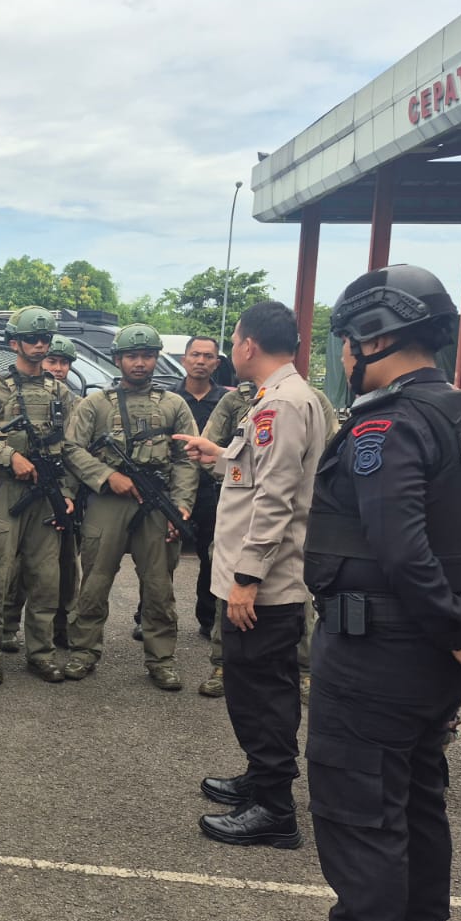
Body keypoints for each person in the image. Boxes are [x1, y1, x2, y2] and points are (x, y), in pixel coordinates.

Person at [259, 264, 461, 921]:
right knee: (417, 803)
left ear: (373, 338)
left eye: (349, 340)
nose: (345, 354)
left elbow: (400, 545)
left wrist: (457, 628)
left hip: (380, 649)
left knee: (361, 818)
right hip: (432, 658)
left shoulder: (386, 426)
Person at [173, 303, 329, 850]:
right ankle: (260, 780)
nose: (230, 349)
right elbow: (255, 471)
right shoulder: (276, 399)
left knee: (262, 692)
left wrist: (247, 577)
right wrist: (218, 456)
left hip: (265, 581)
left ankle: (274, 809)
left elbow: (277, 496)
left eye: (234, 340)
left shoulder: (282, 404)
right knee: (253, 687)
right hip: (259, 576)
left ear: (247, 346)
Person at [65, 324, 197, 689]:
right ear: (118, 359)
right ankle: (83, 651)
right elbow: (72, 449)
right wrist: (108, 477)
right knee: (93, 582)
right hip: (109, 501)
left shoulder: (174, 404)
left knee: (158, 586)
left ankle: (162, 658)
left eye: (147, 356)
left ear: (157, 359)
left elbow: (187, 458)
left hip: (157, 503)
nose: (140, 363)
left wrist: (182, 504)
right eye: (132, 356)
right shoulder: (94, 405)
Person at [0, 306, 78, 685]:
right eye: (32, 339)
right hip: (5, 491)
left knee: (46, 577)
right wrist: (8, 456)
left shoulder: (61, 391)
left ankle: (40, 653)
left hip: (48, 492)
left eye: (45, 339)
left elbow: (76, 446)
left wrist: (68, 491)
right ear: (14, 343)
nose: (40, 345)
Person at [199, 380, 339, 700]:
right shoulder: (238, 401)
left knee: (295, 591)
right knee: (230, 590)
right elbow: (217, 449)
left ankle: (304, 669)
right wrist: (230, 472)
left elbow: (330, 451)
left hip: (293, 514)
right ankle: (222, 663)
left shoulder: (309, 399)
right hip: (242, 513)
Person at [3, 333, 82, 649]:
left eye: (64, 362)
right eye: (53, 361)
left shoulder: (70, 400)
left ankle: (58, 630)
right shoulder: (17, 391)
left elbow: (78, 450)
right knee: (18, 565)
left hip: (62, 492)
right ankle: (7, 626)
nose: (59, 368)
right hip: (24, 491)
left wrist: (71, 493)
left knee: (62, 568)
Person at [174, 336, 230, 638]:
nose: (201, 361)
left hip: (212, 488)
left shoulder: (227, 401)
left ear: (217, 364)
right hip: (174, 488)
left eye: (208, 357)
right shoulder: (169, 398)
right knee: (160, 555)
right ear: (184, 360)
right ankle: (148, 616)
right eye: (195, 355)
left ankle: (208, 619)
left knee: (211, 557)